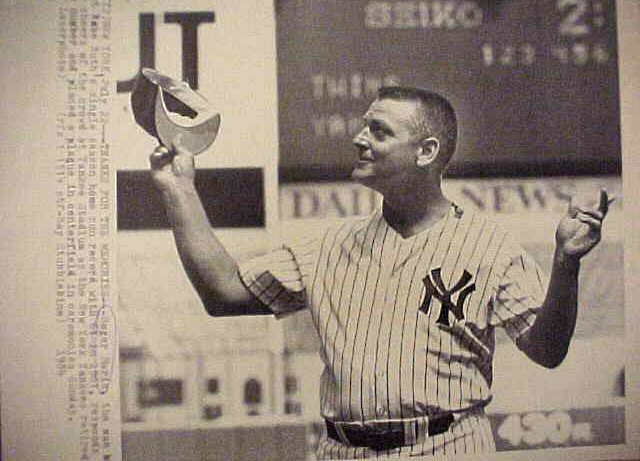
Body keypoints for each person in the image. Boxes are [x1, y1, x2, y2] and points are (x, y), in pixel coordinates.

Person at [149, 86, 611, 459]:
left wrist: (565, 265)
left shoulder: (491, 247)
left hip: (447, 446)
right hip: (342, 450)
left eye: (379, 130)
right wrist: (178, 188)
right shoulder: (328, 245)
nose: (359, 138)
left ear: (425, 151)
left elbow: (547, 350)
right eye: (363, 125)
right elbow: (225, 293)